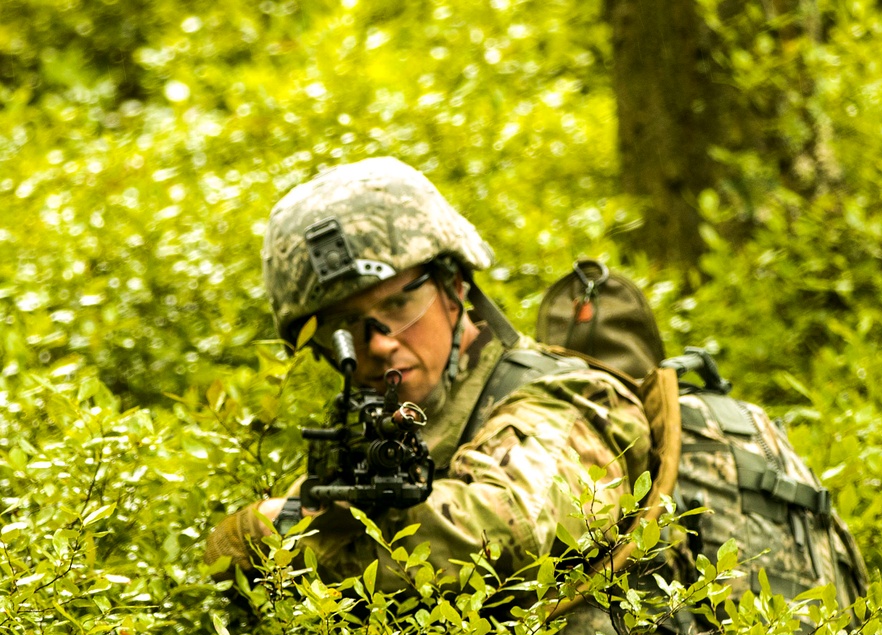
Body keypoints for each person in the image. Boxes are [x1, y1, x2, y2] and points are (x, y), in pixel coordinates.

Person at [204, 157, 651, 605]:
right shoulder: (374, 430)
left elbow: (510, 533)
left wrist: (274, 543)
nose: (378, 345)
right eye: (345, 328)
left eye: (398, 305)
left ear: (454, 286)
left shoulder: (566, 396)